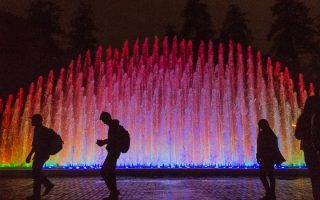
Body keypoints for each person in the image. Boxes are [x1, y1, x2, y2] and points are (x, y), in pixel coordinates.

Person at [295, 96, 320, 200]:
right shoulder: (313, 117)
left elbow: (298, 135)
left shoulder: (303, 118)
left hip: (309, 152)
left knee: (315, 180)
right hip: (312, 151)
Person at [26, 114, 55, 200]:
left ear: (37, 121)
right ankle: (47, 185)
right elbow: (36, 145)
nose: (32, 121)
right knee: (36, 173)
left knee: (36, 174)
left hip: (41, 154)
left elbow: (35, 144)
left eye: (33, 120)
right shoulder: (41, 130)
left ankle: (37, 194)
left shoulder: (39, 130)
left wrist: (29, 155)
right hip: (43, 154)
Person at [256, 119, 285, 200]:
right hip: (266, 157)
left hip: (267, 158)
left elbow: (270, 146)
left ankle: (270, 194)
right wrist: (258, 155)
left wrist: (260, 155)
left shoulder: (268, 134)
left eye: (260, 125)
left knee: (267, 175)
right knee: (267, 175)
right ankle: (270, 193)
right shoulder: (266, 133)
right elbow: (260, 146)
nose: (259, 127)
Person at [97, 112, 122, 200]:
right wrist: (104, 142)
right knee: (111, 172)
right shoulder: (113, 126)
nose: (103, 122)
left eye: (103, 120)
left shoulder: (113, 126)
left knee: (103, 172)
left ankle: (114, 191)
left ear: (107, 118)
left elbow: (113, 139)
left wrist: (102, 142)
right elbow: (112, 139)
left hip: (113, 152)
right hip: (114, 152)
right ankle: (113, 193)